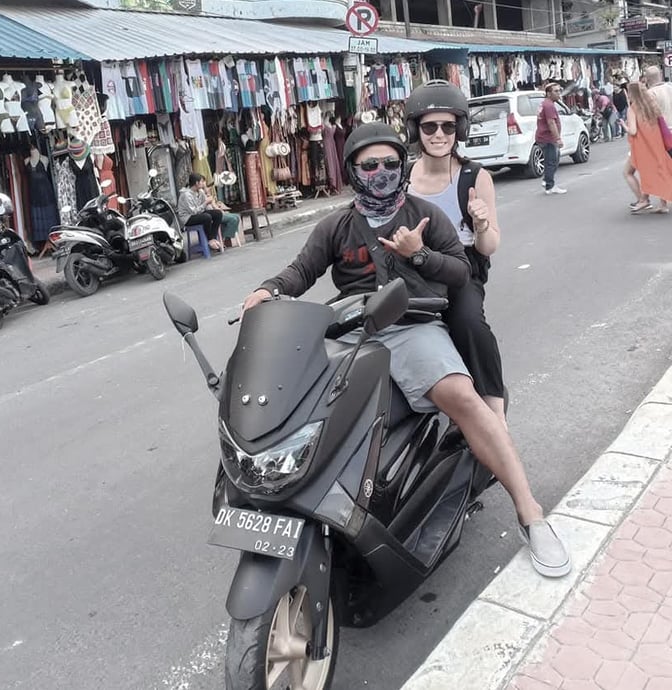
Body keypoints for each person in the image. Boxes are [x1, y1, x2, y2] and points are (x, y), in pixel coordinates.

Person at [242, 122, 571, 578]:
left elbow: (460, 271)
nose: (381, 173)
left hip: (412, 327)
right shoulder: (336, 226)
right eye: (369, 166)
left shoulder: (424, 215)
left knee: (463, 399)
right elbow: (301, 270)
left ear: (402, 166)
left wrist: (417, 254)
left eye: (390, 164)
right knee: (306, 403)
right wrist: (267, 290)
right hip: (352, 331)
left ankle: (531, 514)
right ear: (353, 171)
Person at [404, 80, 506, 426]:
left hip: (460, 268)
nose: (439, 135)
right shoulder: (403, 177)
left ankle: (495, 413)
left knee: (468, 323)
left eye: (448, 127)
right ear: (415, 130)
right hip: (413, 267)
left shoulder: (475, 177)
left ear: (459, 130)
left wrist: (481, 223)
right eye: (429, 127)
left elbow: (489, 246)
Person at [619, 81, 672, 214]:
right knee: (659, 171)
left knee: (628, 172)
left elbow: (633, 131)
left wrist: (624, 125)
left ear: (632, 94)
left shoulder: (633, 108)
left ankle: (643, 200)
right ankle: (663, 205)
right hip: (657, 145)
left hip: (642, 148)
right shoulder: (652, 106)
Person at [176, 172, 223, 251]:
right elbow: (193, 212)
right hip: (188, 218)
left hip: (199, 213)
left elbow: (205, 206)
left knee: (218, 214)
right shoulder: (186, 195)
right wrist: (205, 203)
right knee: (207, 217)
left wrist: (212, 205)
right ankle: (210, 239)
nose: (203, 183)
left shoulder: (200, 191)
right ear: (197, 183)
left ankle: (213, 238)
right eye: (201, 181)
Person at [536, 83, 567, 195]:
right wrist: (557, 139)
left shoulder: (545, 103)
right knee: (551, 161)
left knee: (553, 159)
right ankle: (550, 186)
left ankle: (546, 180)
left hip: (544, 137)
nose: (559, 93)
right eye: (556, 91)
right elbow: (551, 123)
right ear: (549, 93)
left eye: (559, 90)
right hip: (548, 138)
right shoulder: (549, 105)